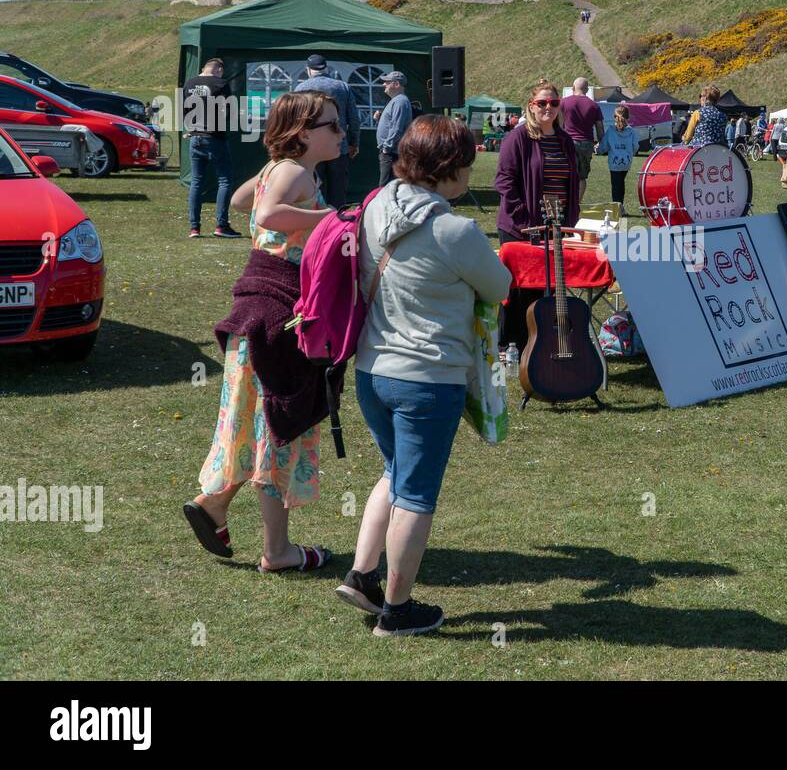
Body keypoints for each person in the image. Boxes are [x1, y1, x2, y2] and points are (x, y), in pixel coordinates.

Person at [336, 115, 512, 637]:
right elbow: (500, 285)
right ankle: (396, 609)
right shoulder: (454, 230)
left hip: (371, 371)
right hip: (428, 378)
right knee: (416, 493)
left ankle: (362, 577)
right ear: (450, 168)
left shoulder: (376, 204)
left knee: (394, 473)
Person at [181, 91, 342, 572]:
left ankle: (214, 504)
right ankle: (278, 552)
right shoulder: (294, 172)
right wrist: (331, 219)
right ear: (304, 132)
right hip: (276, 313)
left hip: (256, 311)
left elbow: (239, 198)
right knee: (279, 422)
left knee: (254, 417)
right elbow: (268, 215)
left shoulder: (279, 168)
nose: (341, 133)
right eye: (333, 125)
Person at [495, 78, 581, 349]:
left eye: (554, 103)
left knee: (549, 286)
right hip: (520, 226)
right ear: (531, 107)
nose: (548, 108)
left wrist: (568, 221)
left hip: (556, 226)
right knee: (520, 289)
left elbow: (573, 180)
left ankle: (541, 341)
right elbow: (504, 181)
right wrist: (525, 220)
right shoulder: (517, 138)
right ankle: (511, 345)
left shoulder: (565, 140)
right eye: (541, 103)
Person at [183, 58, 240, 239]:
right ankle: (221, 225)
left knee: (196, 182)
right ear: (219, 70)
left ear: (204, 68)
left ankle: (194, 227)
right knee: (224, 180)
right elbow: (229, 112)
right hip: (215, 138)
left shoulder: (189, 83)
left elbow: (185, 111)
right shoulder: (221, 83)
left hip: (195, 138)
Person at [294, 53, 361, 207]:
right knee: (338, 194)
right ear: (326, 68)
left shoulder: (301, 88)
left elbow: (297, 123)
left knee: (315, 193)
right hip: (339, 148)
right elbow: (354, 120)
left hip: (312, 150)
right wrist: (354, 143)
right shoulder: (342, 86)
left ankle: (319, 227)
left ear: (308, 69)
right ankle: (338, 227)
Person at [559, 77, 605, 201]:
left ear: (573, 88)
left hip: (568, 142)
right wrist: (602, 143)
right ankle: (576, 203)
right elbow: (600, 128)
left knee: (566, 175)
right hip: (586, 144)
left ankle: (566, 201)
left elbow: (559, 125)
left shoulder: (563, 102)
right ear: (587, 89)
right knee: (581, 177)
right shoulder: (594, 106)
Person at [373, 71, 412, 187]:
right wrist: (378, 120)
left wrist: (387, 148)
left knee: (385, 188)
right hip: (390, 152)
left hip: (392, 153)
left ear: (396, 84)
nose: (383, 84)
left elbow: (397, 128)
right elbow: (392, 125)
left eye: (387, 82)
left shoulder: (400, 101)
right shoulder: (397, 101)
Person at [597, 103, 638, 212]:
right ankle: (620, 206)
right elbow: (636, 147)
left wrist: (598, 150)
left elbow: (604, 146)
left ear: (614, 117)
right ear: (628, 117)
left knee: (616, 185)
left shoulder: (611, 131)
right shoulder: (632, 131)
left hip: (614, 163)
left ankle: (617, 208)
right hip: (626, 162)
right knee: (621, 183)